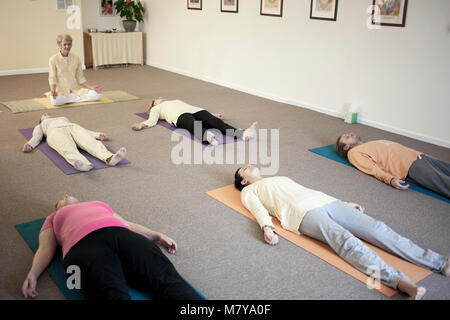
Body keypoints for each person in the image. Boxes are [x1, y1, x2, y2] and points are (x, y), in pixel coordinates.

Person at [234, 165, 450, 300]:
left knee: (378, 229)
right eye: (244, 168)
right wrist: (266, 228)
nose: (249, 165)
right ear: (244, 181)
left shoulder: (279, 177)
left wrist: (344, 203)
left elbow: (308, 190)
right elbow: (258, 210)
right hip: (302, 213)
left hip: (326, 202)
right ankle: (400, 282)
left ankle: (440, 262)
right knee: (346, 242)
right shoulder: (249, 191)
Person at [22, 195, 204, 300]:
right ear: (58, 207)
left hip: (122, 235)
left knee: (166, 279)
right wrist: (33, 274)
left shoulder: (98, 204)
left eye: (67, 195)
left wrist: (156, 235)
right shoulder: (54, 217)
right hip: (83, 247)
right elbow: (45, 248)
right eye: (60, 200)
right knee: (110, 293)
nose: (64, 196)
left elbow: (128, 224)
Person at [335, 132, 450, 198]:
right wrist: (390, 179)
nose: (350, 133)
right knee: (444, 182)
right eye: (347, 137)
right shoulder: (353, 153)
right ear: (346, 147)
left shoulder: (370, 144)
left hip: (419, 156)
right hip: (409, 166)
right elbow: (372, 169)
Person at [131, 97, 258, 146]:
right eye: (157, 99)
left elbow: (190, 105)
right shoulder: (156, 108)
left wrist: (212, 115)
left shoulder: (175, 100)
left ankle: (243, 134)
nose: (161, 98)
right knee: (192, 124)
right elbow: (152, 119)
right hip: (179, 116)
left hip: (195, 110)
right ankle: (208, 137)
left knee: (214, 122)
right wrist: (142, 124)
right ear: (154, 104)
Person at [22, 113, 127, 172]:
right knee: (67, 148)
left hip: (73, 127)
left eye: (48, 113)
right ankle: (83, 164)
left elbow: (84, 131)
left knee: (89, 142)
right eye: (43, 115)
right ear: (41, 120)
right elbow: (37, 136)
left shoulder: (63, 118)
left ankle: (110, 158)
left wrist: (97, 135)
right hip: (55, 132)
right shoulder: (41, 125)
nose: (47, 114)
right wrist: (30, 144)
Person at [48, 34, 102, 106]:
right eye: (65, 44)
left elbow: (80, 77)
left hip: (75, 90)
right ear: (60, 45)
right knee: (55, 101)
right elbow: (52, 77)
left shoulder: (76, 58)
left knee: (97, 95)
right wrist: (53, 91)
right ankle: (75, 99)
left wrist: (91, 87)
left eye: (69, 44)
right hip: (61, 91)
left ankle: (70, 99)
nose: (67, 47)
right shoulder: (53, 59)